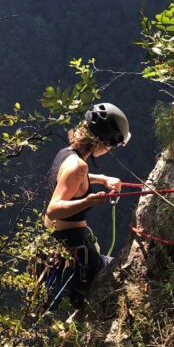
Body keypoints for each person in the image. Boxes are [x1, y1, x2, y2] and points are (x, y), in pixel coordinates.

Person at [43, 102, 131, 312]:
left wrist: (101, 178)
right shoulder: (78, 166)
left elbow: (68, 179)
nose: (109, 150)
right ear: (101, 143)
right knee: (122, 273)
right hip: (77, 252)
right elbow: (53, 209)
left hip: (60, 246)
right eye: (111, 146)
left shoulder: (67, 153)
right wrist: (89, 200)